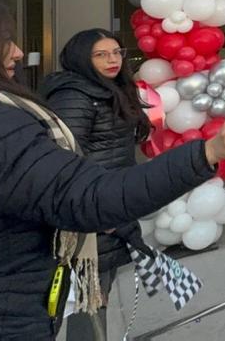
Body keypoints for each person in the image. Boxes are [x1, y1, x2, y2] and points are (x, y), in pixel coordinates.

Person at [0, 0, 225, 338]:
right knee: (91, 308)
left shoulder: (115, 91)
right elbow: (76, 186)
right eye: (2, 40)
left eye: (116, 52)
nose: (17, 52)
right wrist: (205, 153)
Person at [40, 29, 150, 340]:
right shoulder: (74, 95)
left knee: (96, 297)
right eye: (100, 55)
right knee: (87, 300)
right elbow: (65, 159)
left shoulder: (110, 90)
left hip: (110, 205)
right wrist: (99, 212)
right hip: (91, 216)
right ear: (81, 59)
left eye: (116, 52)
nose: (112, 60)